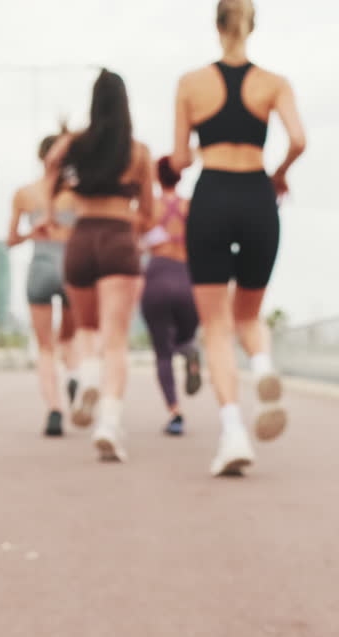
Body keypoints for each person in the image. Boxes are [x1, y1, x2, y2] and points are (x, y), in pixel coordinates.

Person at [170, 0, 307, 476]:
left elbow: (180, 158)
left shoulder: (191, 84)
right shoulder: (274, 83)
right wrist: (281, 175)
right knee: (248, 312)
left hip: (210, 197)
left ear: (216, 25)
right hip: (256, 195)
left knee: (216, 326)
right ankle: (264, 368)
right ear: (252, 25)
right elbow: (299, 139)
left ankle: (232, 432)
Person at [36, 69, 155, 462]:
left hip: (81, 240)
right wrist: (133, 216)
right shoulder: (138, 152)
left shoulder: (75, 146)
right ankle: (108, 422)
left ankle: (86, 377)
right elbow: (149, 214)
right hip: (119, 239)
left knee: (85, 329)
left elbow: (50, 173)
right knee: (116, 341)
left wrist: (50, 214)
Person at [8, 133, 83, 437]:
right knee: (70, 338)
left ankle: (54, 409)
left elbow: (10, 240)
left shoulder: (24, 194)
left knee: (45, 346)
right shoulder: (79, 195)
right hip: (71, 266)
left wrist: (32, 233)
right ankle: (75, 376)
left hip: (39, 265)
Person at [139, 155, 202, 436]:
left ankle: (175, 412)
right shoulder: (191, 207)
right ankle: (189, 352)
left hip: (157, 276)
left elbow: (134, 241)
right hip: (187, 277)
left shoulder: (148, 207)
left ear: (156, 175)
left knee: (162, 352)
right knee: (184, 337)